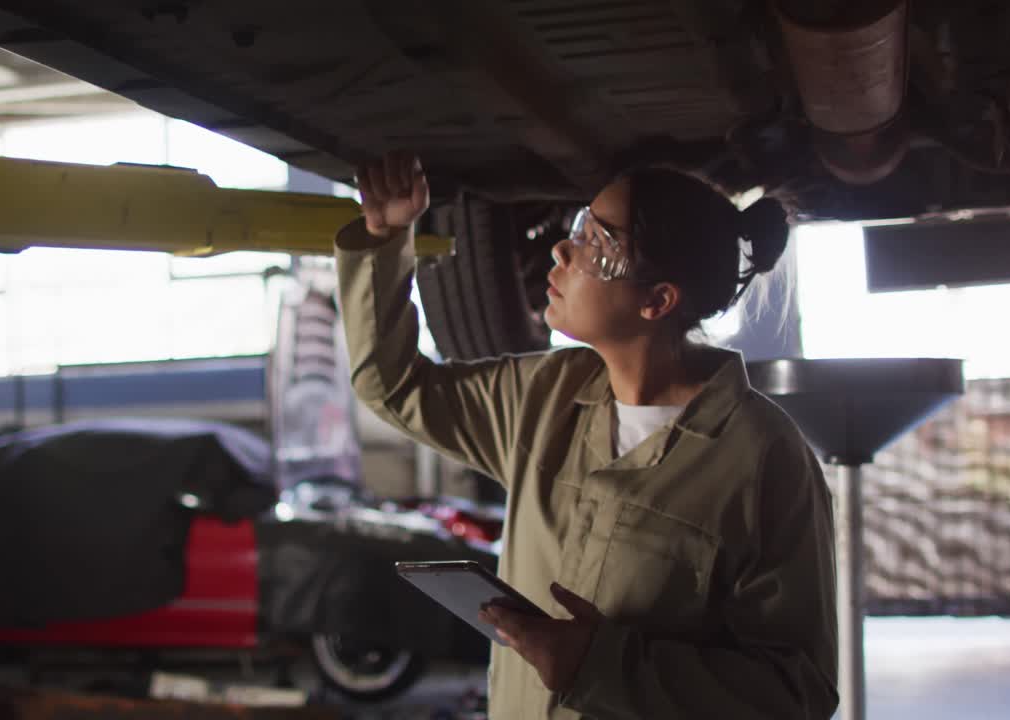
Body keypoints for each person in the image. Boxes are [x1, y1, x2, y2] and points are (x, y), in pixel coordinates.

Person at [334, 150, 838, 719]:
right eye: (578, 225)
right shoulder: (544, 396)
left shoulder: (762, 458)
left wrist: (601, 666)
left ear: (657, 299)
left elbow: (798, 694)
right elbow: (395, 388)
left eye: (595, 240)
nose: (561, 250)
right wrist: (386, 238)